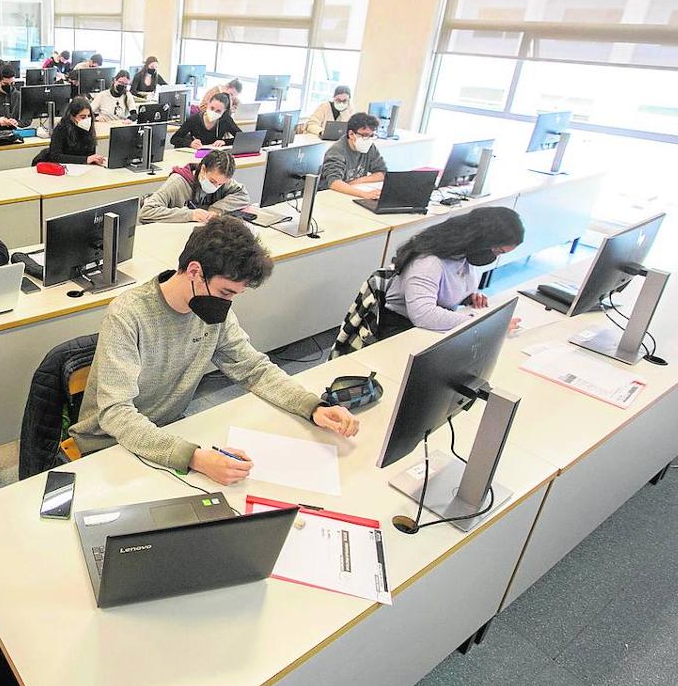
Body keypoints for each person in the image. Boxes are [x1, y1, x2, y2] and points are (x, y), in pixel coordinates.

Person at [68, 217, 359, 484]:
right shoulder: (128, 314)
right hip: (108, 445)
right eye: (225, 292)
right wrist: (193, 458)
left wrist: (313, 407)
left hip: (169, 431)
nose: (228, 303)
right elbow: (116, 414)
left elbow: (253, 369)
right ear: (195, 271)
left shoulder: (210, 312)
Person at [381, 207, 525, 337]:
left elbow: (447, 287)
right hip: (400, 329)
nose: (495, 257)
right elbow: (424, 315)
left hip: (426, 327)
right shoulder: (429, 262)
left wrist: (467, 297)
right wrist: (485, 324)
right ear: (482, 241)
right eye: (497, 251)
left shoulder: (463, 253)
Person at [140, 149, 249, 224]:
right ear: (203, 169)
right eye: (212, 181)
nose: (216, 186)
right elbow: (146, 212)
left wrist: (216, 209)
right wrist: (190, 215)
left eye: (220, 184)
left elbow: (243, 195)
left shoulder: (222, 181)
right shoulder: (177, 182)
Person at [318, 112, 388, 198]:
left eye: (371, 135)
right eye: (365, 135)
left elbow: (382, 173)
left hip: (352, 191)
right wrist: (364, 194)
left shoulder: (369, 147)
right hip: (331, 195)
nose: (368, 140)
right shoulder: (337, 151)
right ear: (351, 134)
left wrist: (359, 181)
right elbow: (334, 183)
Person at [31, 97, 106, 167]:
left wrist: (95, 160)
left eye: (89, 116)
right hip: (58, 168)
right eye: (82, 117)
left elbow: (90, 154)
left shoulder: (89, 128)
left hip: (79, 168)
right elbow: (55, 156)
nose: (87, 119)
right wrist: (85, 159)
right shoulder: (61, 129)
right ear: (72, 117)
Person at [171, 91, 241, 149]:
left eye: (218, 111)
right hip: (195, 154)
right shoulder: (195, 119)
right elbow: (174, 139)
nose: (214, 112)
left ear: (224, 111)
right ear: (208, 104)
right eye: (212, 108)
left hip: (213, 155)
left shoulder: (226, 120)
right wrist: (190, 143)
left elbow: (241, 138)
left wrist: (224, 142)